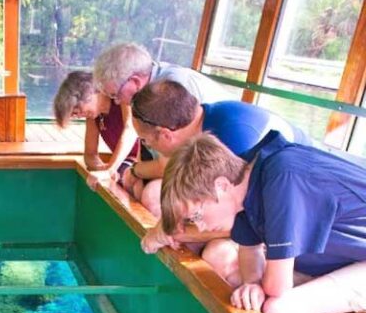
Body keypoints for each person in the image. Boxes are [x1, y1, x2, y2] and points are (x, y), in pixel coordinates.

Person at [159, 132, 366, 313]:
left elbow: (278, 287)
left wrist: (259, 286)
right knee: (240, 283)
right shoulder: (246, 181)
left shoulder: (283, 177)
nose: (199, 228)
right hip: (347, 259)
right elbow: (250, 250)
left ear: (221, 186)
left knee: (281, 311)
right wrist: (251, 282)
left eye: (196, 216)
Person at [132, 80, 309, 284]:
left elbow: (248, 220)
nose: (146, 146)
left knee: (217, 257)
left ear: (165, 134)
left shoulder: (234, 137)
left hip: (296, 230)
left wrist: (173, 233)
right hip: (260, 214)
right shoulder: (200, 127)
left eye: (145, 140)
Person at [92, 42, 233, 202]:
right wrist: (135, 172)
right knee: (137, 187)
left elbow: (172, 164)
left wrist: (134, 171)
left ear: (135, 82)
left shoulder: (172, 88)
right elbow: (146, 144)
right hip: (191, 162)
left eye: (115, 95)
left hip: (218, 168)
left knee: (152, 195)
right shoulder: (146, 93)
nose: (117, 102)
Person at [53, 71, 141, 188]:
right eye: (75, 114)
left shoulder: (121, 97)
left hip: (146, 158)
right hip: (128, 162)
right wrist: (102, 168)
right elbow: (90, 155)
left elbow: (130, 129)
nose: (80, 115)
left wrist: (110, 169)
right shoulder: (94, 117)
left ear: (90, 93)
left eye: (78, 109)